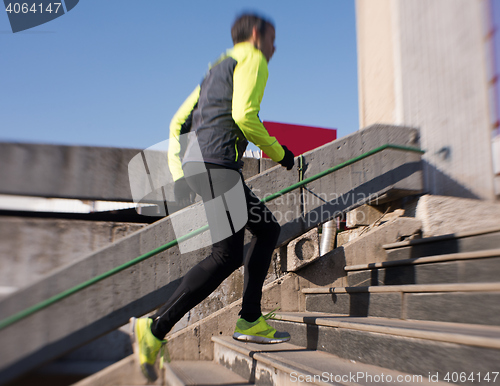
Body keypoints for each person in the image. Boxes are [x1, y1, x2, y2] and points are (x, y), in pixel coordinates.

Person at [130, 12, 295, 382]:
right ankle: (157, 328)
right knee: (225, 256)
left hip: (204, 167)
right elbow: (244, 115)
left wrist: (180, 173)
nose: (274, 47)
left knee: (265, 231)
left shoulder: (215, 69)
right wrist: (279, 152)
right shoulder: (253, 59)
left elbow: (177, 122)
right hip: (218, 166)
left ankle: (249, 317)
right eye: (272, 39)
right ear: (256, 35)